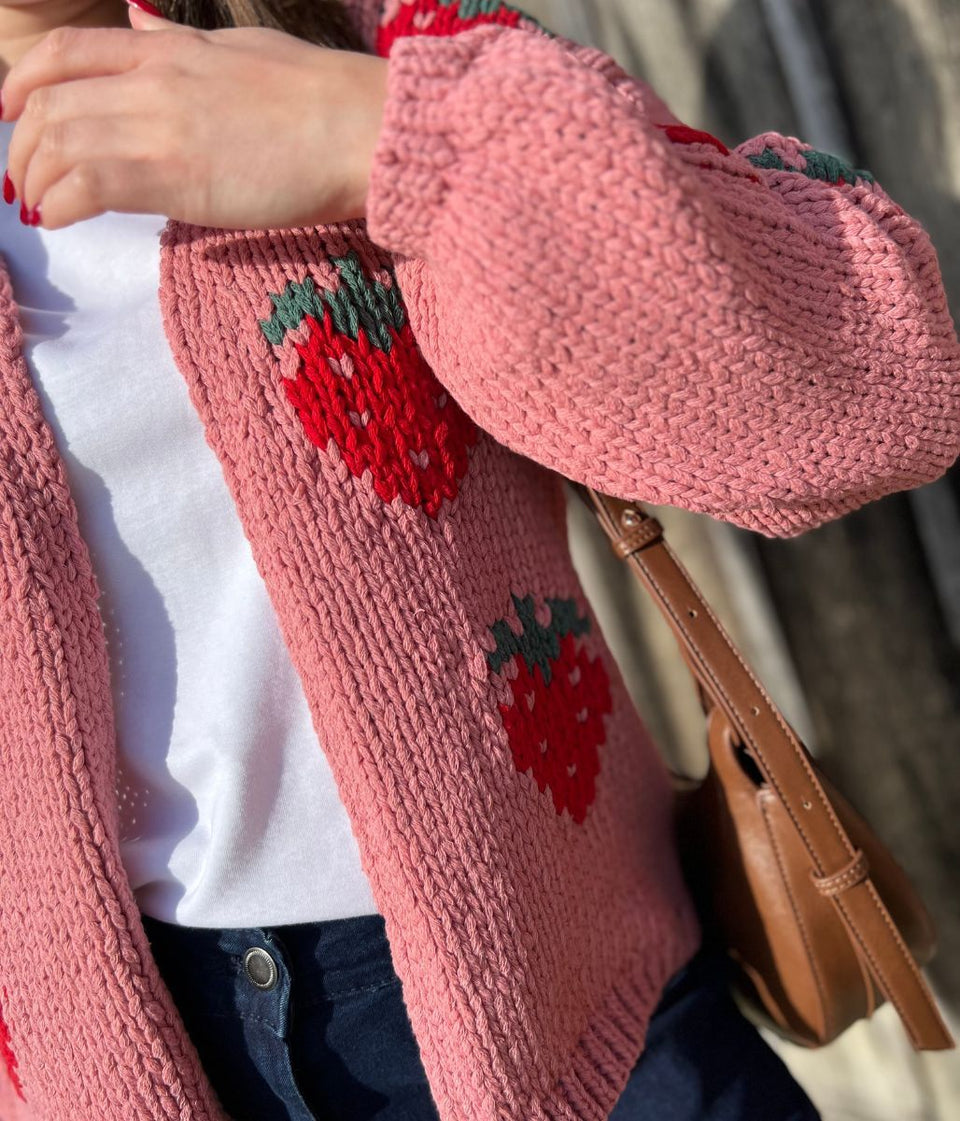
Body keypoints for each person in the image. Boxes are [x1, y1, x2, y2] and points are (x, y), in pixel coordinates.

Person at [0, 1, 955, 1119]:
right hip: (87, 1056)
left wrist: (388, 138)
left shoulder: (361, 30)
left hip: (579, 1016)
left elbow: (884, 382)